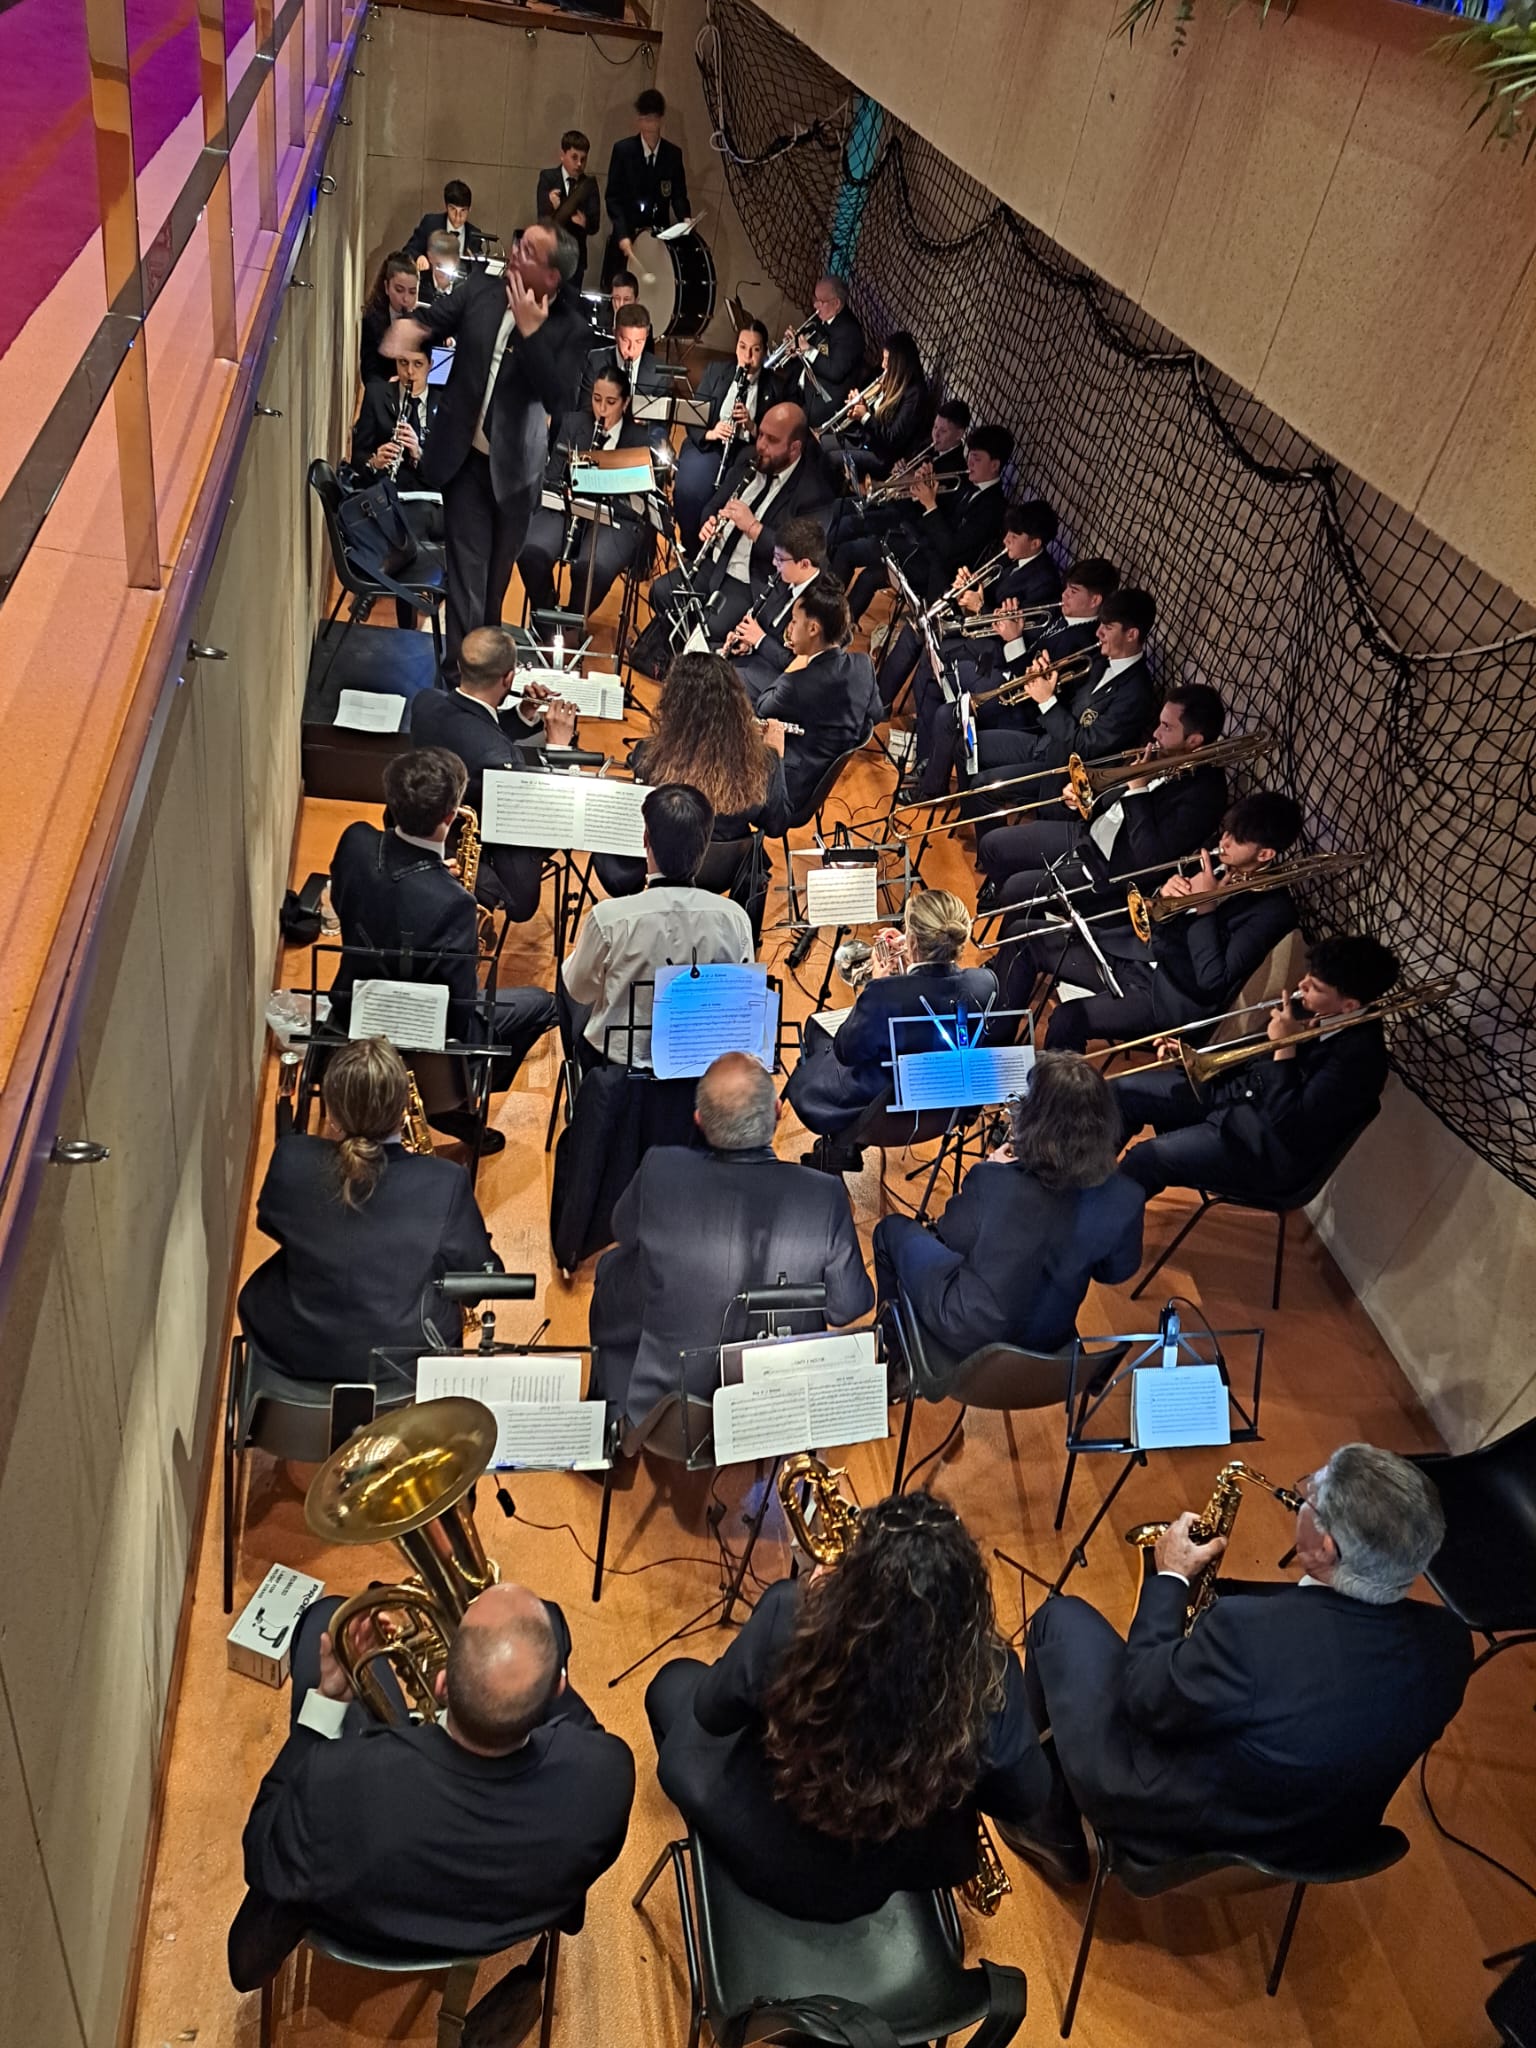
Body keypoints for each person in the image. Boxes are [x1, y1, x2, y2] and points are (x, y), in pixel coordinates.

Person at [1014, 1442, 1472, 1885]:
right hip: (1324, 1843)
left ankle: (1047, 1827)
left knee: (1059, 1618)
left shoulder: (1247, 1635)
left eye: (1310, 1496)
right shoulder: (1450, 1644)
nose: (1302, 1494)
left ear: (1325, 1549)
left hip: (1190, 1834)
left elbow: (1144, 1696)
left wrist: (1171, 1575)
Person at [645, 1492, 1053, 1921]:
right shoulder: (991, 1680)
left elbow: (713, 1712)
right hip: (863, 1887)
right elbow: (1024, 1800)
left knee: (671, 1683)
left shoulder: (791, 1615)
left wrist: (813, 1602)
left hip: (756, 1837)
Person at [228, 1581, 635, 1990]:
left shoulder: (335, 1782)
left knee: (327, 1614)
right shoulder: (607, 1774)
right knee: (550, 1621)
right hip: (497, 1919)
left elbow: (261, 1846)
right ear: (558, 1690)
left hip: (362, 1927)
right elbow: (580, 1728)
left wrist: (329, 1699)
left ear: (440, 1686)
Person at [589, 1054, 874, 1424]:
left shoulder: (660, 1167)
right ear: (776, 1113)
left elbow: (622, 1228)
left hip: (670, 1415)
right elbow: (848, 1306)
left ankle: (610, 1410)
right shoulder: (826, 1195)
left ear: (699, 1122)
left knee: (611, 1266)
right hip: (776, 1398)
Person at [380, 221, 588, 678]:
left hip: (516, 474)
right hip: (465, 461)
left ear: (552, 276)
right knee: (467, 581)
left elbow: (560, 398)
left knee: (493, 590)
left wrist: (532, 334)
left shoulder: (571, 327)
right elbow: (434, 320)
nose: (516, 252)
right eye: (519, 242)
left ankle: (485, 679)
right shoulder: (481, 290)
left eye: (530, 251)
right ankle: (461, 681)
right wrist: (410, 330)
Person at [328, 748, 558, 1146]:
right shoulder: (454, 904)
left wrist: (431, 878)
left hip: (352, 1005)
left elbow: (360, 896)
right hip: (421, 1040)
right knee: (542, 1004)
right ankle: (456, 1109)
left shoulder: (355, 842)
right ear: (450, 817)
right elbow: (458, 1014)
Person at [237, 1038, 498, 1380]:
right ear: (405, 1105)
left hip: (290, 1359)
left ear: (330, 1110)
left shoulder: (291, 1157)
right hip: (399, 1373)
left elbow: (271, 1222)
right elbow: (480, 1281)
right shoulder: (444, 1181)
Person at [874, 1052, 1144, 1371]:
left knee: (889, 1231)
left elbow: (948, 1236)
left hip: (971, 1337)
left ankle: (896, 1356)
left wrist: (991, 1170)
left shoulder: (996, 1181)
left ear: (1036, 1123)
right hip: (1049, 1348)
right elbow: (1112, 1273)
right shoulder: (1128, 1197)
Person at [1115, 935, 1401, 1200]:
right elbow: (1253, 1055)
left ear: (1349, 1005)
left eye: (1315, 987)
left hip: (1262, 1147)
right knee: (1119, 1092)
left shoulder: (1360, 1062)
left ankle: (1092, 1239)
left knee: (1147, 1158)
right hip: (1233, 1096)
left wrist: (1284, 1047)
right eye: (1307, 977)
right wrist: (1197, 1055)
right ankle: (1081, 1180)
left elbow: (1291, 1123)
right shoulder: (1314, 1009)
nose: (1301, 986)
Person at [1038, 791, 1304, 1053]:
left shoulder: (1272, 910)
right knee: (1029, 939)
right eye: (1226, 831)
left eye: (1237, 839)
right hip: (1139, 953)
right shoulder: (1217, 855)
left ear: (1265, 855)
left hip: (1169, 995)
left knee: (1068, 1018)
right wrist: (1163, 895)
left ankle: (1054, 1095)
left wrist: (1205, 906)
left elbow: (1212, 979)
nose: (1224, 841)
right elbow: (1156, 910)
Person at [787, 888, 997, 1170]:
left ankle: (841, 1149)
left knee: (816, 1031)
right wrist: (913, 953)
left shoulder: (884, 994)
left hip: (881, 1111)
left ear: (912, 939)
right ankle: (846, 1148)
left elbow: (846, 1052)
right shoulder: (986, 982)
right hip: (944, 1107)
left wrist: (875, 984)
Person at [981, 683, 1230, 912]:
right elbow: (1116, 795)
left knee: (1016, 890)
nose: (1156, 733)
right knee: (992, 846)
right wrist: (1086, 796)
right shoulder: (1163, 751)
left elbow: (1149, 857)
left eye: (1167, 727)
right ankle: (1010, 905)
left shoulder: (1206, 796)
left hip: (1108, 869)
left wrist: (1138, 791)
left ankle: (1017, 915)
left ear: (1194, 741)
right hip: (1087, 834)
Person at [559, 784, 754, 1071]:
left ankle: (582, 1087)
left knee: (565, 975)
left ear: (645, 839)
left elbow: (580, 991)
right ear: (705, 844)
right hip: (696, 1069)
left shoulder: (609, 918)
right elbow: (737, 1003)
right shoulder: (735, 918)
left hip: (616, 1067)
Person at [409, 626, 578, 924]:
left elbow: (475, 729)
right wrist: (559, 748)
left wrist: (524, 714)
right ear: (509, 677)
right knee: (523, 893)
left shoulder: (426, 702)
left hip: (425, 814)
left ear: (461, 666)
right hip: (468, 838)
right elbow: (548, 813)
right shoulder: (501, 760)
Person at [591, 651, 790, 902]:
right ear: (737, 706)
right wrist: (776, 755)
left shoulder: (648, 756)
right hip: (724, 875)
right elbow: (777, 825)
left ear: (673, 704)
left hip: (666, 867)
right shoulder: (762, 762)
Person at [903, 499, 1065, 799]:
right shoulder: (1006, 559)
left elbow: (1017, 635)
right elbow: (984, 600)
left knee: (944, 695)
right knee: (929, 666)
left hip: (1002, 663)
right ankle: (927, 759)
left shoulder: (1044, 583)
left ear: (1035, 543)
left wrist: (980, 608)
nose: (1006, 540)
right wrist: (968, 592)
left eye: (1014, 536)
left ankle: (932, 777)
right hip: (984, 645)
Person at [647, 402, 837, 645]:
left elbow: (800, 556)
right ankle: (671, 656)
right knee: (660, 593)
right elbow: (712, 505)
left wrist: (753, 528)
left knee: (709, 628)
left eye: (772, 440)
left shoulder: (814, 494)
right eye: (761, 436)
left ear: (794, 448)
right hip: (715, 561)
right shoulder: (749, 457)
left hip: (749, 580)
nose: (761, 445)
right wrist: (709, 522)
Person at [873, 424, 1015, 710]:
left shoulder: (993, 507)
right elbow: (933, 531)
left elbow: (952, 550)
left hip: (948, 583)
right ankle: (878, 698)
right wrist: (920, 494)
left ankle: (879, 702)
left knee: (915, 632)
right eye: (969, 456)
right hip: (931, 566)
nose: (969, 463)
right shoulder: (965, 487)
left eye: (976, 458)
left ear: (995, 465)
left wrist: (931, 506)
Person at [970, 585, 1159, 785]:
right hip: (1046, 743)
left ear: (1131, 635)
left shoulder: (1137, 693)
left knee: (983, 784)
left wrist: (1047, 700)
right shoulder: (1097, 659)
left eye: (1108, 628)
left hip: (1063, 772)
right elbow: (1066, 701)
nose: (1098, 633)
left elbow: (1085, 746)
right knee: (966, 745)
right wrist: (1043, 678)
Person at [516, 365, 653, 624]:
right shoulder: (573, 423)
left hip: (613, 517)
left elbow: (638, 505)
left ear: (625, 404)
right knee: (530, 550)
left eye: (611, 402)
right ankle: (546, 618)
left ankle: (572, 621)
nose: (601, 409)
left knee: (591, 569)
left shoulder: (639, 439)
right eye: (597, 399)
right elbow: (552, 476)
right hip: (568, 508)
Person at [835, 396, 971, 623]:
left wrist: (910, 482)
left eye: (944, 431)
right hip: (895, 511)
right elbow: (899, 472)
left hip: (907, 530)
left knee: (849, 539)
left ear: (959, 434)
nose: (936, 434)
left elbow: (925, 513)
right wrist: (900, 471)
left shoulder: (956, 470)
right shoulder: (928, 448)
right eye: (936, 427)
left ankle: (836, 621)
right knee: (841, 512)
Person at [751, 581, 880, 816]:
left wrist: (797, 662)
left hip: (788, 790)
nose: (789, 628)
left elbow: (763, 706)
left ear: (813, 629)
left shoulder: (797, 684)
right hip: (818, 780)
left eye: (794, 621)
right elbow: (876, 714)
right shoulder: (863, 665)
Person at [672, 319, 777, 552]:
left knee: (726, 495)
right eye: (742, 347)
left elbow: (774, 436)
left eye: (755, 349)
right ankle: (691, 545)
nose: (747, 356)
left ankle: (715, 551)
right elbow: (695, 414)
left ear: (765, 352)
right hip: (710, 444)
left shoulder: (774, 387)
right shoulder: (717, 371)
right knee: (689, 489)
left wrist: (751, 425)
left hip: (746, 451)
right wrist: (711, 432)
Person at [720, 515, 828, 698]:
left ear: (804, 564)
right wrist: (746, 643)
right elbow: (766, 622)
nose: (774, 563)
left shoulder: (821, 605)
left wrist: (760, 640)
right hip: (758, 660)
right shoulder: (786, 576)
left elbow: (799, 666)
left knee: (717, 684)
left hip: (782, 680)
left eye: (780, 559)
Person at [602, 88, 690, 287]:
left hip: (657, 238)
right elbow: (613, 197)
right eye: (646, 119)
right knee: (620, 290)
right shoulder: (623, 150)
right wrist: (622, 233)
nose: (650, 125)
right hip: (627, 235)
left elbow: (678, 194)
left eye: (654, 119)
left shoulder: (673, 154)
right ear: (638, 120)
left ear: (661, 120)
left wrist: (685, 218)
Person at [831, 329, 928, 481]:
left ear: (899, 364)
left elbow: (893, 439)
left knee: (831, 458)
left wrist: (865, 417)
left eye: (887, 361)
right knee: (821, 442)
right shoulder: (887, 376)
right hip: (866, 440)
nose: (883, 365)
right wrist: (860, 404)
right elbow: (875, 415)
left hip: (882, 457)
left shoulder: (914, 394)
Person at [778, 274, 865, 430]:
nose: (815, 306)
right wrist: (795, 346)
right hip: (800, 391)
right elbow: (806, 345)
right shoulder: (822, 316)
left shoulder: (850, 333)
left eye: (821, 302)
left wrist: (808, 350)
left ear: (837, 303)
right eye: (815, 299)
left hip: (821, 405)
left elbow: (835, 371)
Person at [536, 130, 600, 287]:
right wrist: (552, 207)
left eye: (583, 159)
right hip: (550, 255)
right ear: (562, 154)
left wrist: (584, 223)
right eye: (574, 157)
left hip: (576, 259)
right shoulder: (548, 178)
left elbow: (595, 225)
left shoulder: (588, 185)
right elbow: (541, 217)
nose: (579, 164)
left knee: (571, 306)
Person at [583, 301, 668, 405]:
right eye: (625, 340)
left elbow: (661, 419)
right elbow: (584, 410)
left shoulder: (659, 372)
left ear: (647, 335)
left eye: (639, 341)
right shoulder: (595, 361)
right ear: (615, 333)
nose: (631, 348)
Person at [360, 252, 424, 388]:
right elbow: (369, 372)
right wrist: (388, 388)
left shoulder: (425, 319)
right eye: (399, 290)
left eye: (412, 292)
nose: (406, 299)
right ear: (386, 287)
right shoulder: (372, 320)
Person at [404, 177, 487, 266]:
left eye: (463, 211)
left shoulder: (475, 235)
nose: (457, 217)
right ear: (446, 206)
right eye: (453, 209)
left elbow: (479, 267)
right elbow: (408, 251)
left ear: (470, 209)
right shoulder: (430, 224)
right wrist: (419, 257)